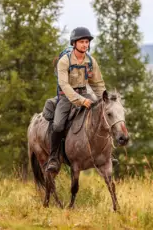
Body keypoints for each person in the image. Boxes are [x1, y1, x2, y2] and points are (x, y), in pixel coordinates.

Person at [45, 26, 116, 173]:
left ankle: (107, 154)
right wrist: (80, 101)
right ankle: (53, 158)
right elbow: (64, 85)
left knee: (103, 116)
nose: (85, 45)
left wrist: (105, 99)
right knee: (58, 125)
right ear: (74, 43)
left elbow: (97, 83)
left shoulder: (90, 61)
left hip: (85, 92)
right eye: (82, 42)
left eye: (87, 42)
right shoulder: (64, 61)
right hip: (66, 97)